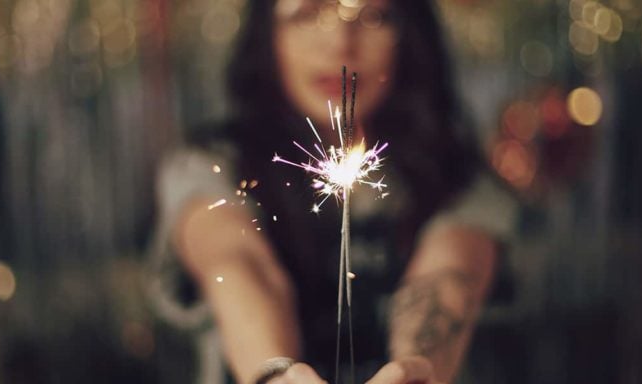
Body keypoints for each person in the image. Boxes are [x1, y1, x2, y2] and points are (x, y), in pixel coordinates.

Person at [149, 0, 517, 382]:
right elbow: (238, 263)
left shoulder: (460, 176)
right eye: (307, 14)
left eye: (373, 16)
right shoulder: (212, 166)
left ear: (408, 33)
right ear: (268, 32)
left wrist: (415, 370)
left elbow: (450, 274)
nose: (341, 43)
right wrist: (274, 374)